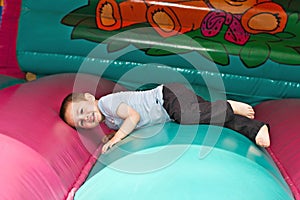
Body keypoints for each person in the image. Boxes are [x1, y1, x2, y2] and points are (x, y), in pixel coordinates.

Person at [59, 83, 270, 153]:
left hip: (168, 99)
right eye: (81, 122)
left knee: (190, 116)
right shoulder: (108, 118)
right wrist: (112, 135)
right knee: (207, 116)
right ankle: (256, 129)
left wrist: (116, 139)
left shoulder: (106, 103)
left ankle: (229, 106)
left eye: (82, 111)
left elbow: (133, 116)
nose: (86, 118)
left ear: (88, 97)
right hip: (171, 104)